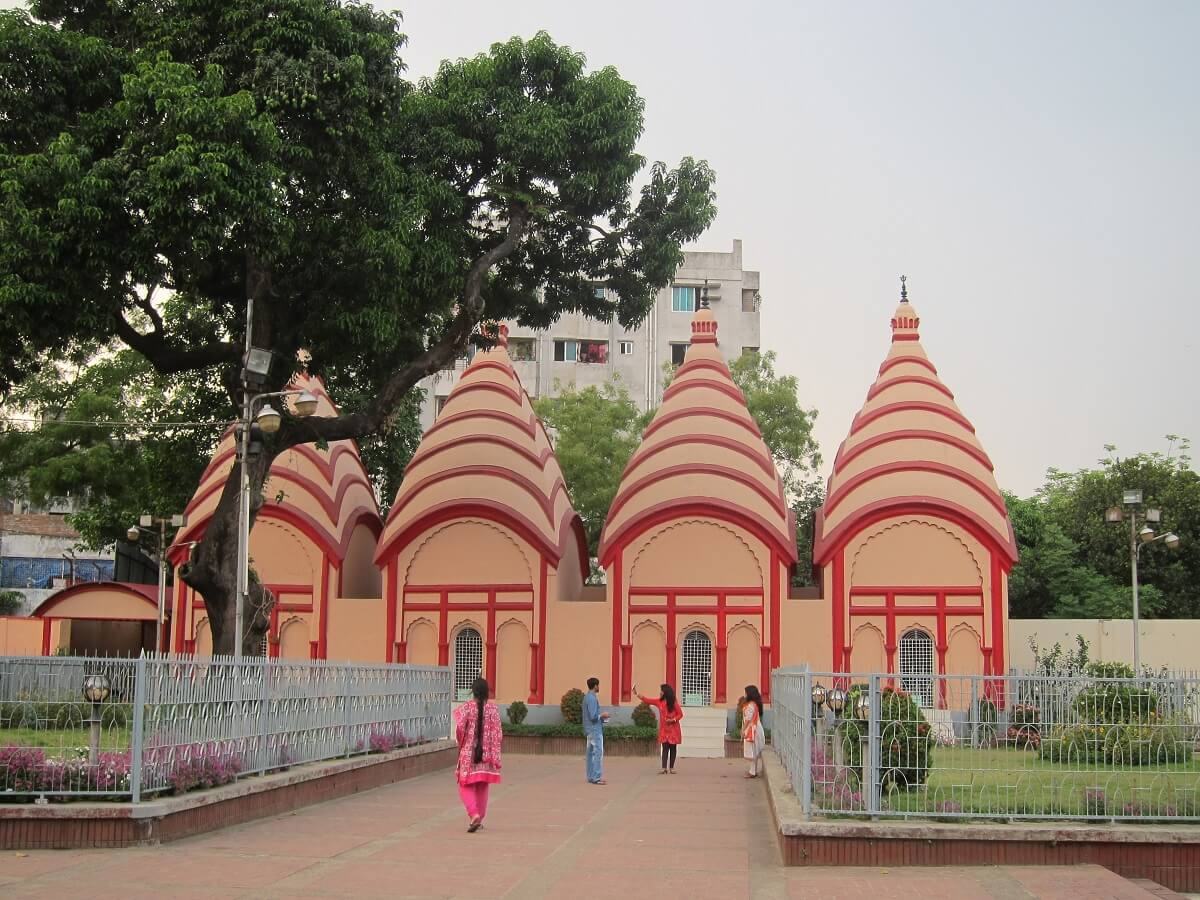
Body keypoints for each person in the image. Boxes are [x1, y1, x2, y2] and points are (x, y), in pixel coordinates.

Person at [453, 676, 502, 832]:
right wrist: (494, 753)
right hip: (486, 755)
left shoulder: (466, 708)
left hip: (469, 755)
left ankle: (473, 814)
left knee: (464, 784)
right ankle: (479, 816)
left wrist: (462, 743)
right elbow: (498, 734)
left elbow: (460, 729)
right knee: (482, 786)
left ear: (472, 692)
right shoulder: (493, 710)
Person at [634, 682, 684, 774]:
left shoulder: (673, 702)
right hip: (664, 730)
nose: (660, 692)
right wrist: (637, 694)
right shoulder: (659, 702)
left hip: (673, 729)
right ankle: (664, 768)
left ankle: (672, 768)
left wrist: (673, 720)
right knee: (665, 748)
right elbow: (647, 700)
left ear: (665, 692)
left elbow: (680, 714)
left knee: (673, 748)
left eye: (661, 690)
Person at [582, 676, 611, 784]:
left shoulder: (586, 697)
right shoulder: (592, 698)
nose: (599, 687)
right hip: (595, 729)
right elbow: (593, 716)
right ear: (595, 686)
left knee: (590, 753)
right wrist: (603, 715)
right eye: (598, 685)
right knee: (598, 752)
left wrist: (602, 718)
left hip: (589, 729)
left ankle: (590, 776)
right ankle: (597, 777)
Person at [742, 684, 766, 778]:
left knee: (752, 751)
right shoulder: (754, 704)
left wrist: (743, 730)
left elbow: (748, 719)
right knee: (754, 751)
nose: (744, 695)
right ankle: (753, 771)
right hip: (756, 728)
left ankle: (752, 772)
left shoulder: (750, 706)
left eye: (746, 693)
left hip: (752, 730)